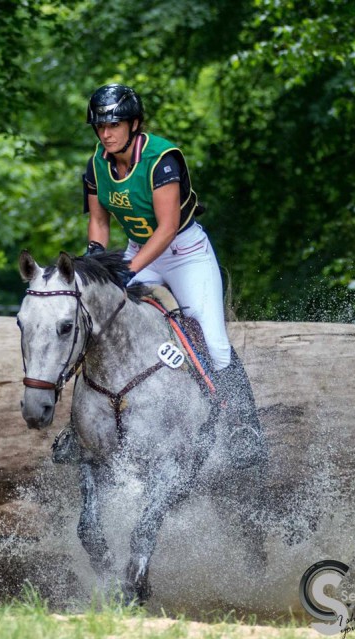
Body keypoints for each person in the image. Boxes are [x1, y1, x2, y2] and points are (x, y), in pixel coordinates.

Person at [80, 83, 262, 466]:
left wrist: (128, 270)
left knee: (212, 338)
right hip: (136, 250)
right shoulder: (98, 163)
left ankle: (244, 427)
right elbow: (98, 221)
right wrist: (95, 262)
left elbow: (166, 227)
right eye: (100, 126)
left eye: (114, 125)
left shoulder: (161, 158)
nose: (106, 133)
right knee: (96, 322)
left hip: (183, 253)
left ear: (134, 124)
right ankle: (78, 427)